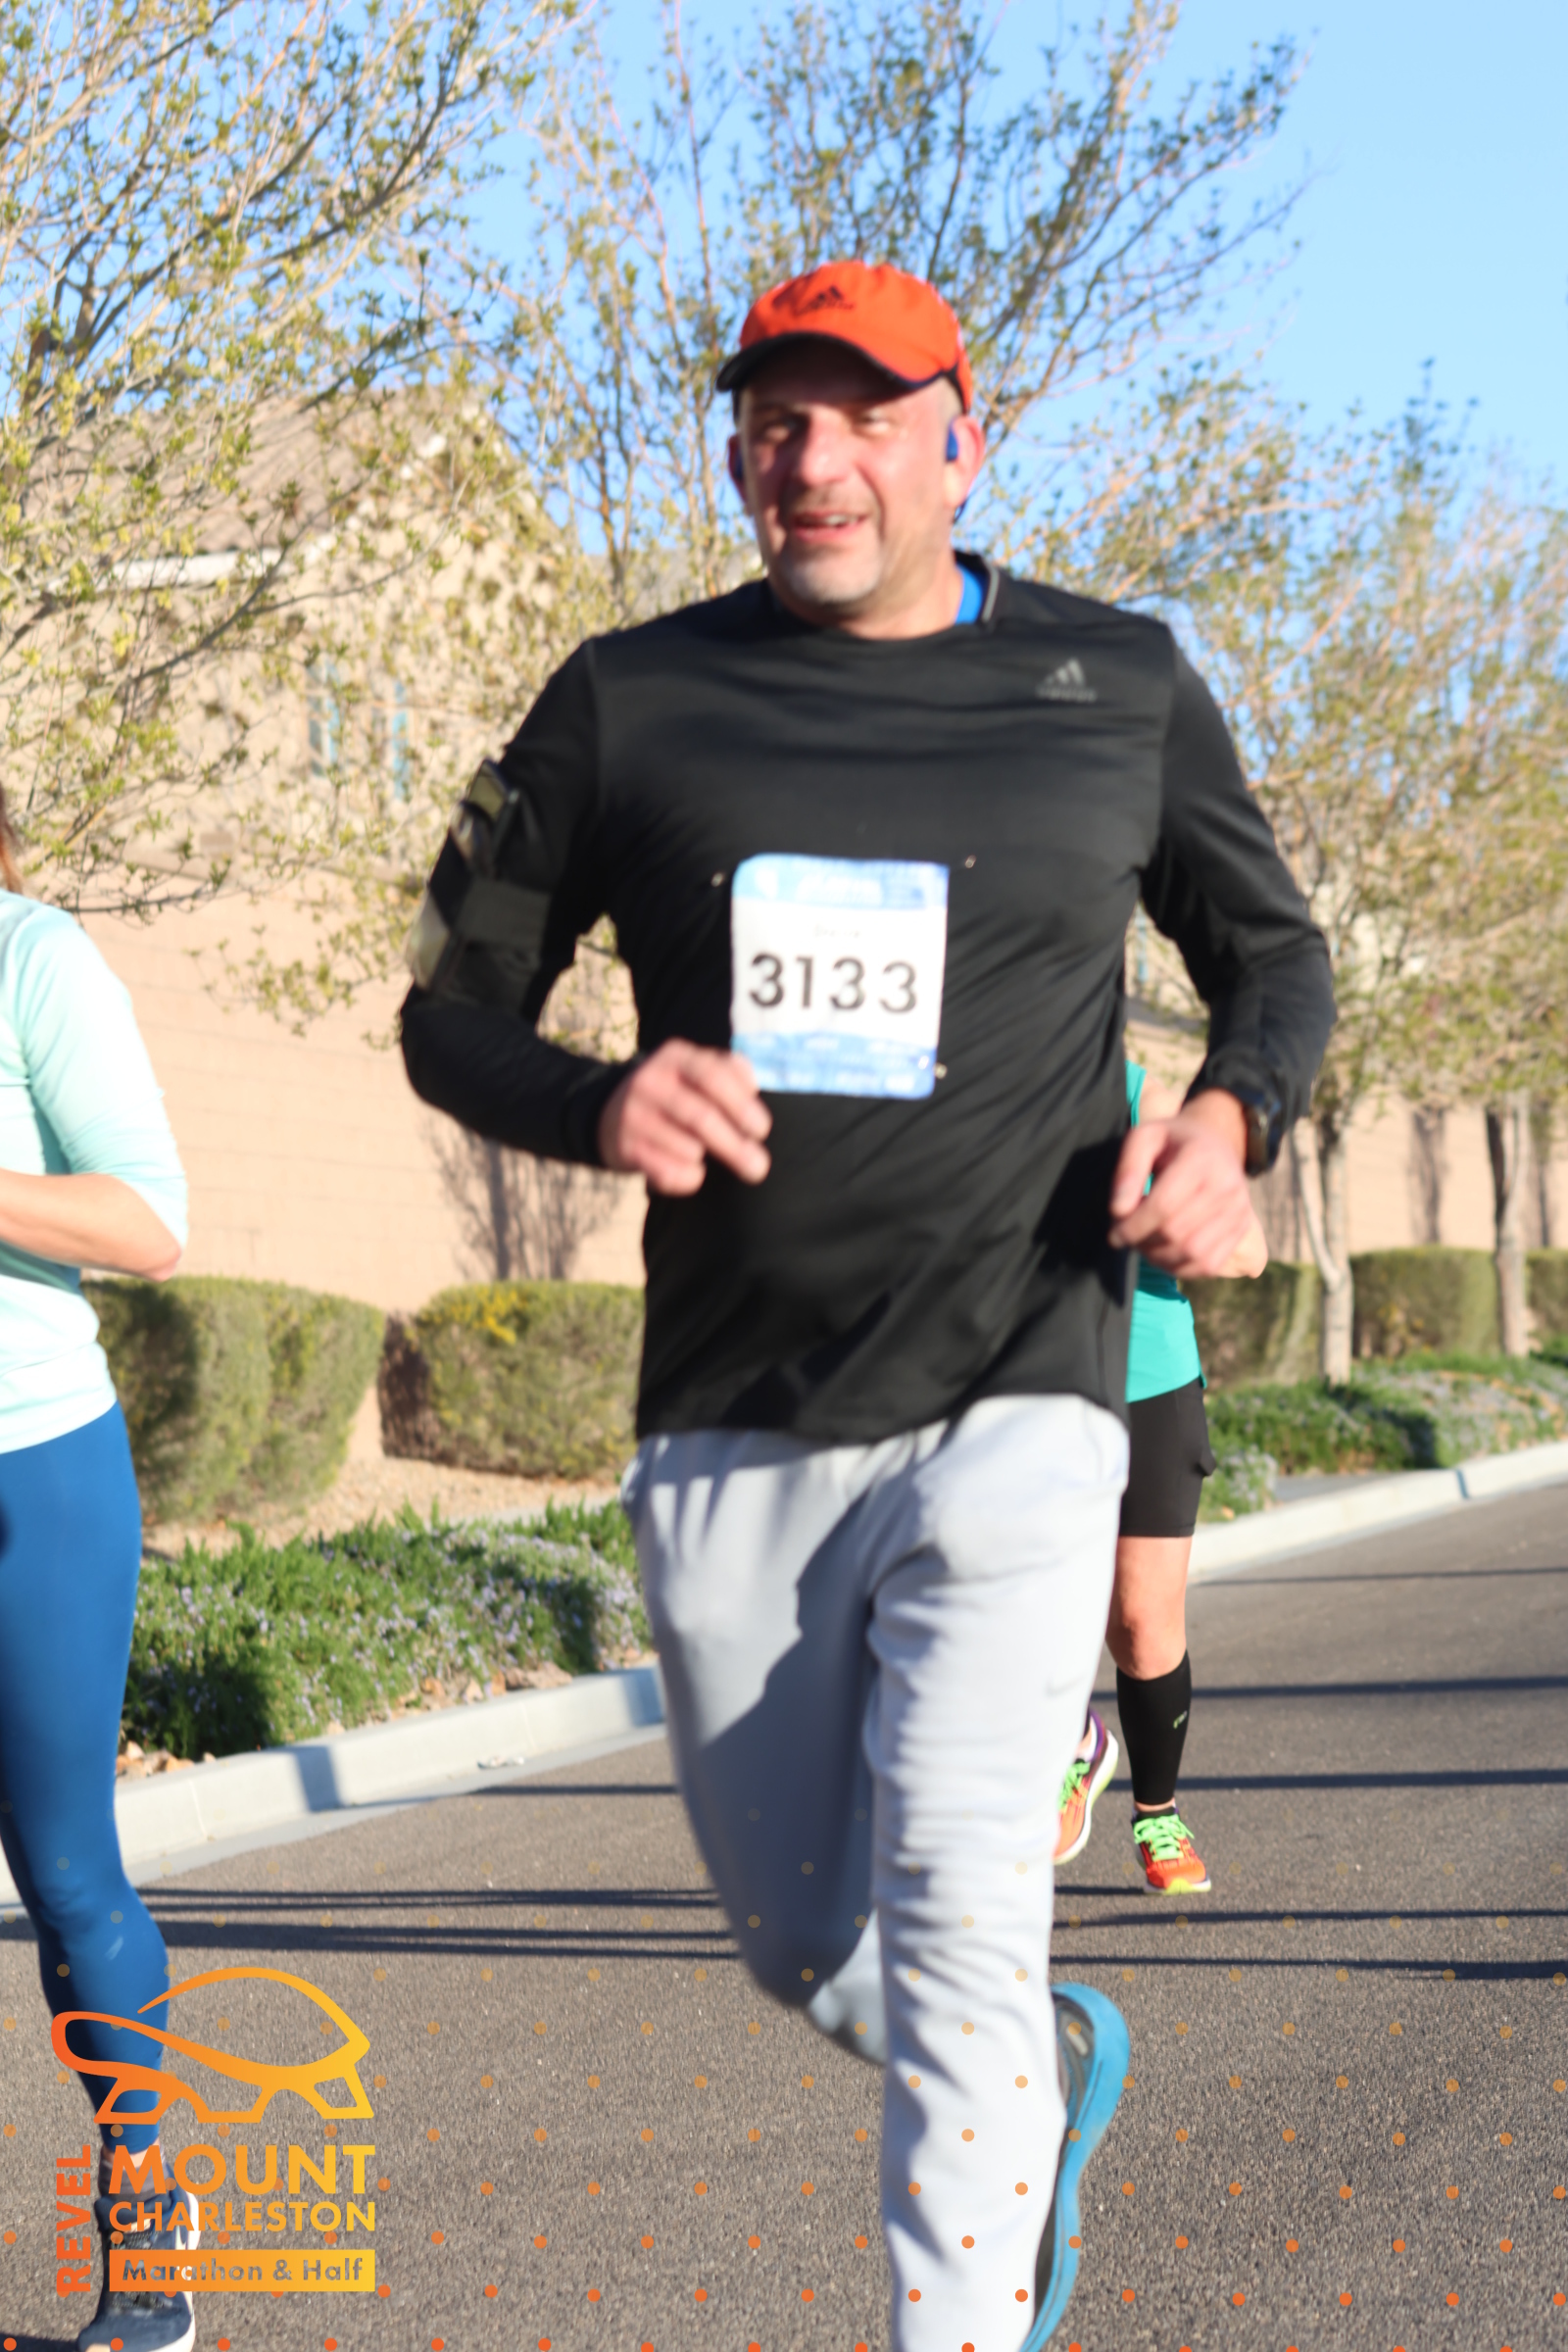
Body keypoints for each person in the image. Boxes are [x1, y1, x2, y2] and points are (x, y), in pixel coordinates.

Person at [400, 259, 1334, 2350]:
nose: (809, 460)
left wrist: (1228, 1119)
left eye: (863, 418)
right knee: (809, 1947)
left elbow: (1276, 961)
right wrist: (595, 1098)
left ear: (958, 442)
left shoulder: (1115, 685)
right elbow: (447, 1010)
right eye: (772, 420)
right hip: (733, 1409)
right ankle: (1032, 2074)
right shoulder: (626, 700)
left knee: (962, 1910)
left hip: (1025, 1386)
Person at [0, 803, 196, 2352]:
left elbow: (151, 1220)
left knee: (65, 1873)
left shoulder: (34, 958)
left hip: (33, 1473)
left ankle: (149, 2261)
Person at [1055, 1060, 1268, 1897]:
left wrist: (1157, 1213)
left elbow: (1248, 1254)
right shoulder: (969, 1087)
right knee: (1022, 1601)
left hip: (1147, 1379)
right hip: (1024, 1385)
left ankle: (1157, 1811)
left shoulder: (1149, 1099)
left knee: (1142, 1623)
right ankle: (1071, 1744)